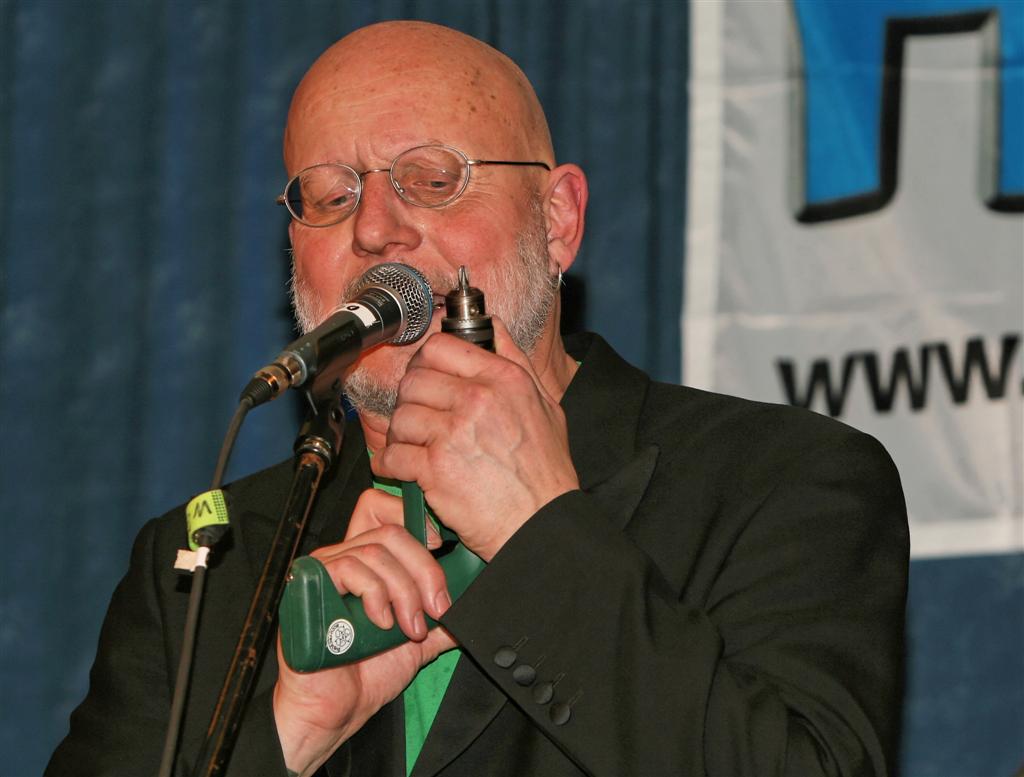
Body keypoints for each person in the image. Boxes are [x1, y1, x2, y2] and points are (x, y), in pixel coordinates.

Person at [47, 20, 909, 777]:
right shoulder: (204, 565)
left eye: (432, 179)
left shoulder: (784, 482)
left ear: (557, 221)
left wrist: (539, 538)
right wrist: (288, 738)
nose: (374, 228)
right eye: (331, 195)